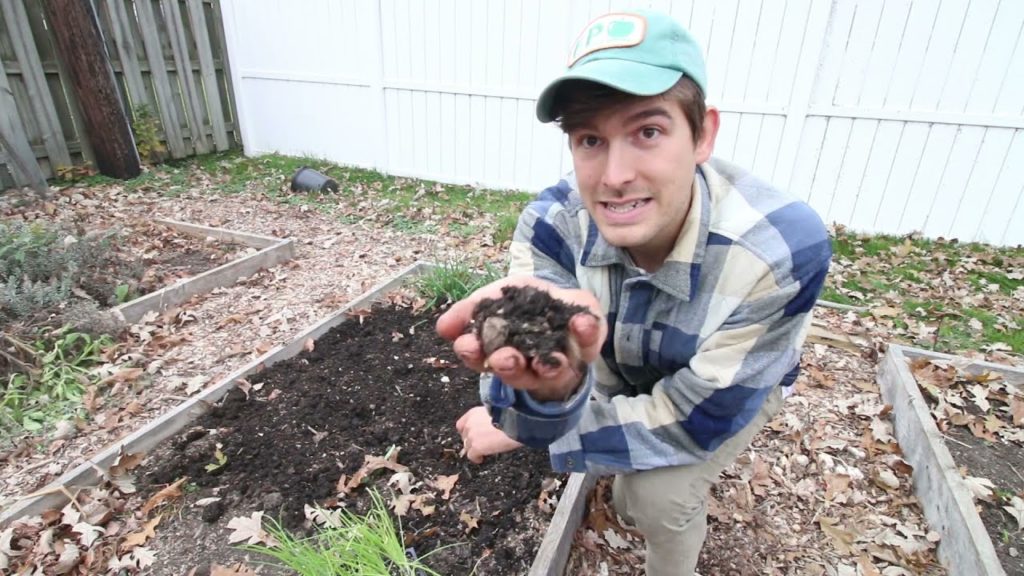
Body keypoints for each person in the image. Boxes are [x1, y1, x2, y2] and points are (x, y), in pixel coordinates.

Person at [436, 9, 831, 575]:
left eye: (648, 131)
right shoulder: (553, 224)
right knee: (622, 458)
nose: (615, 175)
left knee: (653, 499)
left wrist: (526, 440)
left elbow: (699, 419)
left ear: (703, 135)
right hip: (625, 362)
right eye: (590, 139)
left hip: (725, 384)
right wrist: (535, 404)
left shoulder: (777, 250)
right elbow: (531, 372)